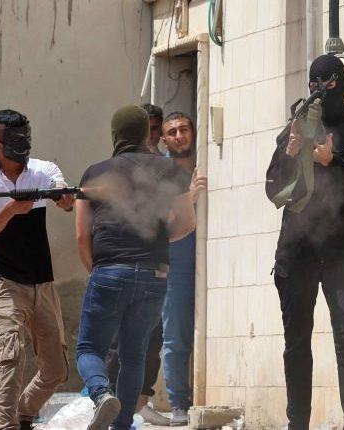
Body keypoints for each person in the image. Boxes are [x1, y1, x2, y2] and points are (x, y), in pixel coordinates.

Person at [265, 53, 344, 430]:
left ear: (341, 84)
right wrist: (290, 153)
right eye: (313, 85)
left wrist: (335, 162)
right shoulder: (295, 130)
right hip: (296, 254)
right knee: (296, 346)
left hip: (343, 257)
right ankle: (297, 423)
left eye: (327, 83)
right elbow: (273, 190)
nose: (320, 91)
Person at [75, 105, 204, 430]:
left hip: (109, 271)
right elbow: (187, 223)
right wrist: (154, 244)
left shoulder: (95, 173)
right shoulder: (170, 171)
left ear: (115, 134)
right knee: (135, 354)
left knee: (89, 348)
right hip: (154, 274)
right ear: (147, 133)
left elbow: (81, 235)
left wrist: (97, 271)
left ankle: (101, 394)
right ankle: (122, 425)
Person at [0, 109, 73, 430]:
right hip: (4, 279)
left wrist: (61, 195)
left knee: (56, 370)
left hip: (41, 280)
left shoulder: (42, 170)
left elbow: (64, 196)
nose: (22, 146)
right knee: (10, 355)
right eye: (14, 140)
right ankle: (3, 425)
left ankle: (24, 412)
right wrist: (12, 207)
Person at [104, 103, 169, 427]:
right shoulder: (115, 168)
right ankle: (108, 402)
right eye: (148, 129)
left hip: (152, 267)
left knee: (151, 336)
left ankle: (135, 406)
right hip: (121, 266)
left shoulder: (163, 168)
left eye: (157, 129)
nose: (152, 135)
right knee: (118, 342)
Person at [160, 112, 198, 426]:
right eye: (171, 132)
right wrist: (191, 198)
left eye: (183, 130)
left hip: (207, 260)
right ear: (164, 139)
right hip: (175, 264)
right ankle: (178, 404)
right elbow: (162, 224)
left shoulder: (204, 166)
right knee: (176, 335)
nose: (178, 136)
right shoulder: (160, 174)